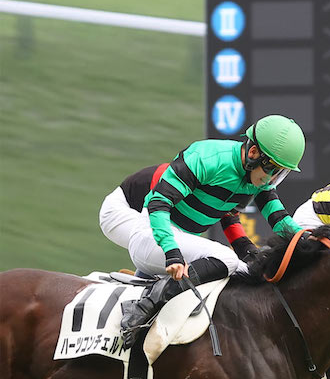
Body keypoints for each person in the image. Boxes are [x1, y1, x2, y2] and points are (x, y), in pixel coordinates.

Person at [108, 114, 307, 337]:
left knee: (253, 276)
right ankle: (146, 305)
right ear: (253, 154)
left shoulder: (256, 179)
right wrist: (172, 252)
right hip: (152, 236)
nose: (273, 179)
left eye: (282, 172)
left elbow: (279, 218)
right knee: (228, 259)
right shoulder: (208, 157)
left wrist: (311, 243)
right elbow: (158, 202)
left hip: (178, 240)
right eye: (274, 170)